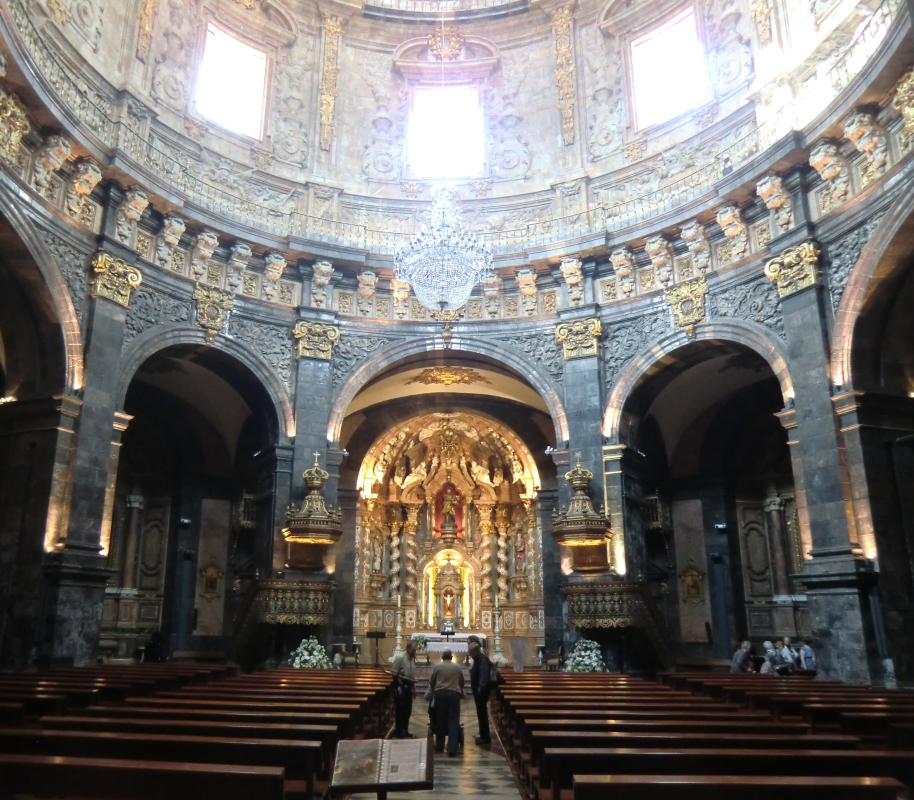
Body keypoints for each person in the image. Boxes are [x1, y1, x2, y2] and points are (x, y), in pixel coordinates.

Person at [429, 648, 464, 756]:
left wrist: (436, 689)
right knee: (453, 720)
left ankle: (439, 745)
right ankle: (452, 748)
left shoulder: (437, 667)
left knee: (440, 720)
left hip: (440, 694)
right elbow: (462, 681)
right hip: (453, 694)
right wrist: (458, 689)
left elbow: (432, 681)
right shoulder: (457, 667)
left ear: (442, 657)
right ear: (451, 657)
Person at [391, 641, 417, 738]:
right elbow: (394, 673)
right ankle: (399, 730)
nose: (414, 652)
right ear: (407, 649)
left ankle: (405, 729)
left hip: (408, 686)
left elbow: (412, 675)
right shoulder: (400, 658)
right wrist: (399, 685)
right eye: (412, 650)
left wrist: (413, 688)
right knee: (400, 710)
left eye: (415, 651)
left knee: (408, 710)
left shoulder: (411, 659)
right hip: (401, 686)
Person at [468, 641, 492, 746]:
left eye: (471, 652)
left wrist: (480, 689)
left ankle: (485, 737)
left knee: (482, 714)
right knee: (480, 713)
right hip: (479, 690)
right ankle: (482, 735)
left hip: (481, 691)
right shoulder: (478, 658)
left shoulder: (482, 659)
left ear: (476, 651)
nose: (469, 654)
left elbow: (484, 676)